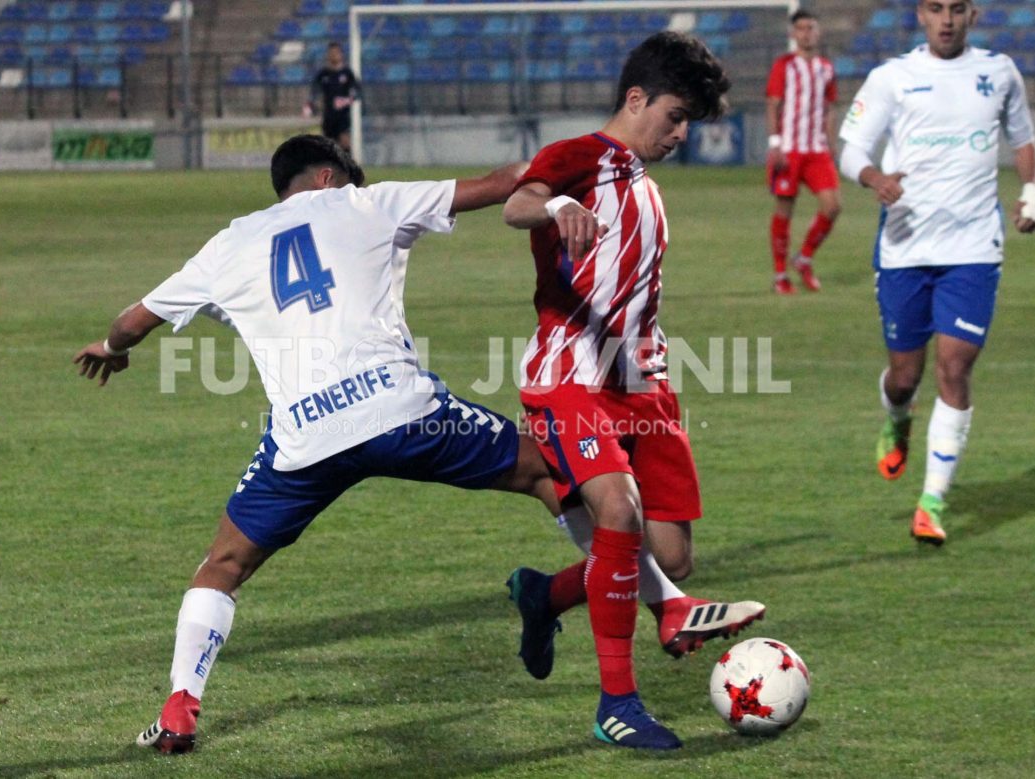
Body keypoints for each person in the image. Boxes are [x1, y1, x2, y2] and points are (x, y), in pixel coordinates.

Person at [74, 135, 561, 754]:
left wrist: (111, 349)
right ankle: (645, 596)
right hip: (399, 411)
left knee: (222, 567)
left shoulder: (228, 243)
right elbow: (502, 182)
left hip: (306, 436)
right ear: (329, 177)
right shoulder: (366, 202)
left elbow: (130, 322)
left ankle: (179, 709)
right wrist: (580, 166)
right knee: (552, 469)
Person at [501, 32, 766, 751]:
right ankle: (617, 704)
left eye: (690, 125)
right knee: (617, 510)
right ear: (636, 98)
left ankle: (545, 593)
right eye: (675, 117)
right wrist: (556, 206)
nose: (681, 135)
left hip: (642, 384)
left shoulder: (646, 187)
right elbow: (518, 203)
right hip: (570, 376)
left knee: (670, 557)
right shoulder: (582, 156)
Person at [839, 0, 1035, 544]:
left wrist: (1031, 191)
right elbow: (852, 149)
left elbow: (1023, 139)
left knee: (954, 368)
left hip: (973, 247)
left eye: (956, 9)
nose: (946, 19)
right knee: (905, 376)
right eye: (935, 8)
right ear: (921, 16)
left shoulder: (999, 72)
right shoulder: (893, 77)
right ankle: (898, 417)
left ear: (972, 14)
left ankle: (931, 501)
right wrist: (875, 178)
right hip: (905, 248)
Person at [765, 9, 840, 294]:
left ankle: (804, 258)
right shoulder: (784, 65)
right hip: (789, 150)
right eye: (801, 28)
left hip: (817, 150)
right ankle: (780, 275)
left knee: (833, 206)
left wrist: (831, 144)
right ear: (793, 34)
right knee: (785, 209)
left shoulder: (826, 68)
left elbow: (829, 108)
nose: (807, 33)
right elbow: (773, 104)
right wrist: (775, 144)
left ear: (818, 32)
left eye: (811, 28)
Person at [304, 42, 361, 151]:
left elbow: (357, 93)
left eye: (336, 53)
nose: (333, 55)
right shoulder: (323, 74)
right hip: (328, 115)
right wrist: (310, 105)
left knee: (345, 142)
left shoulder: (347, 73)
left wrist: (345, 100)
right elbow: (314, 91)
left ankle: (347, 161)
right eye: (331, 53)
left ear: (341, 54)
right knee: (328, 146)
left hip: (343, 116)